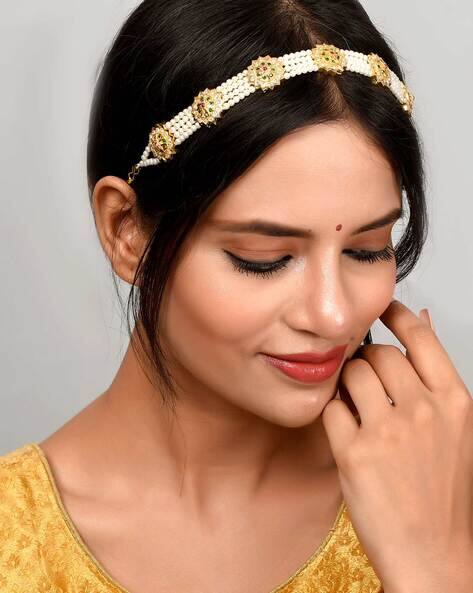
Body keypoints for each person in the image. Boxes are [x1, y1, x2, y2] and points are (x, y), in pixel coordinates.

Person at [2, 1, 472, 592]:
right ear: (127, 231)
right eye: (263, 257)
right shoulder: (14, 548)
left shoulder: (444, 494)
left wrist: (437, 567)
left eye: (367, 249)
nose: (333, 315)